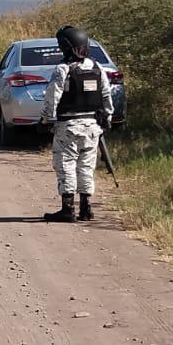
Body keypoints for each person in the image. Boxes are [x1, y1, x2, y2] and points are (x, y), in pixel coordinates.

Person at [39, 25, 113, 221]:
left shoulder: (63, 69)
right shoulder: (98, 68)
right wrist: (107, 119)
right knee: (86, 167)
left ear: (65, 47)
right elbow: (107, 97)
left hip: (68, 127)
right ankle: (86, 208)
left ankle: (68, 209)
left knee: (66, 165)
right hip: (92, 127)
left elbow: (52, 98)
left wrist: (46, 119)